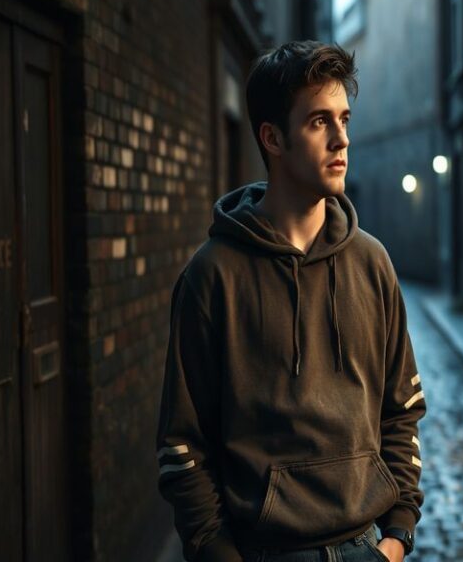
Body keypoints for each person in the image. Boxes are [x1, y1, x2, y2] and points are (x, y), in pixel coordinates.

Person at [156, 40, 426, 562]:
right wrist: (217, 551)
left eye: (344, 118)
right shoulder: (212, 277)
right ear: (273, 138)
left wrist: (395, 537)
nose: (342, 138)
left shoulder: (372, 264)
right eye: (319, 122)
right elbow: (183, 445)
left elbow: (403, 412)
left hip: (365, 547)